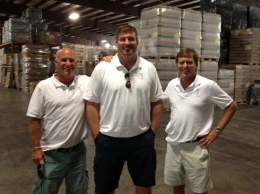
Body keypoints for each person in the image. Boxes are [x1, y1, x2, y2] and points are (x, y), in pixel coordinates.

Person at [83, 24, 163, 194]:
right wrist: (97, 136)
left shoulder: (149, 68)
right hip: (108, 140)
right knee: (105, 187)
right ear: (116, 43)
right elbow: (91, 104)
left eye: (131, 39)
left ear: (137, 42)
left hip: (141, 140)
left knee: (144, 184)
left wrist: (152, 133)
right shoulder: (103, 68)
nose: (127, 43)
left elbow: (157, 102)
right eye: (123, 39)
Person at [162, 48, 237, 194]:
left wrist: (217, 131)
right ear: (177, 64)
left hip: (195, 147)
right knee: (176, 185)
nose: (185, 66)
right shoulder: (172, 84)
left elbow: (231, 106)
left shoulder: (208, 86)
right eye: (181, 62)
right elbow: (160, 101)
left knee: (200, 189)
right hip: (173, 145)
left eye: (189, 62)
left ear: (196, 64)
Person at [27, 47, 89, 194]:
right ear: (56, 63)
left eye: (71, 60)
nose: (68, 64)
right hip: (52, 155)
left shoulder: (85, 82)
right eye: (63, 60)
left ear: (77, 62)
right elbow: (34, 119)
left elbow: (103, 75)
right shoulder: (44, 87)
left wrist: (107, 60)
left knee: (79, 191)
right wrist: (36, 148)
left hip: (77, 154)